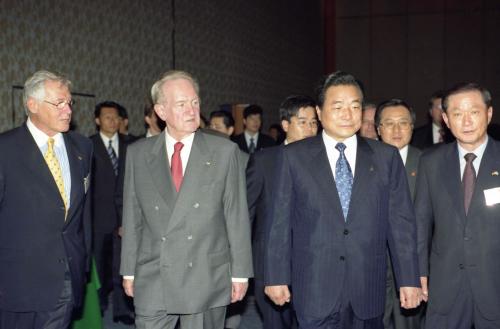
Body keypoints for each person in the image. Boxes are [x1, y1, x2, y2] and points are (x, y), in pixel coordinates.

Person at [264, 71, 421, 329]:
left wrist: (409, 279)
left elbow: (401, 223)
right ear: (319, 110)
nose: (347, 114)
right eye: (338, 107)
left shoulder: (386, 158)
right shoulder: (294, 157)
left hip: (367, 287)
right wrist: (276, 276)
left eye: (354, 106)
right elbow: (279, 221)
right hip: (314, 286)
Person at [120, 70, 253, 329]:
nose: (192, 110)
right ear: (161, 111)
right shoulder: (138, 154)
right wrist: (128, 270)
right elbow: (133, 216)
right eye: (182, 104)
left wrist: (240, 273)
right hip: (154, 270)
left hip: (205, 271)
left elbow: (236, 216)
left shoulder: (224, 151)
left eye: (195, 102)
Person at [0, 70, 93, 329]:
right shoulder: (5, 150)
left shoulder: (82, 148)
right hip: (16, 283)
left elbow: (83, 213)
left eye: (69, 102)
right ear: (33, 105)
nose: (68, 110)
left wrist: (83, 264)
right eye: (58, 103)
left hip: (67, 278)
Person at [415, 82, 500, 329]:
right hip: (445, 286)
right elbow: (420, 222)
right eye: (457, 114)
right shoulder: (430, 161)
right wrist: (418, 273)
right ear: (445, 119)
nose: (466, 121)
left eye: (473, 112)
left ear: (489, 113)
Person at [246, 94, 318, 329]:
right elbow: (246, 213)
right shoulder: (265, 161)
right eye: (303, 122)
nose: (310, 128)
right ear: (285, 125)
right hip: (272, 264)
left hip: (314, 263)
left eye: (314, 122)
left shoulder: (326, 163)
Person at [375, 99, 424, 329]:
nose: (396, 130)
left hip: (413, 262)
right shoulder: (363, 162)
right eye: (389, 123)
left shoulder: (427, 163)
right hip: (372, 264)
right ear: (378, 129)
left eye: (403, 123)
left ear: (412, 128)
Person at [90, 101, 133, 325]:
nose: (112, 121)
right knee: (97, 267)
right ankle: (98, 307)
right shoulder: (88, 146)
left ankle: (122, 310)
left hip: (125, 219)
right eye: (107, 117)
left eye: (116, 117)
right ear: (97, 120)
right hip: (98, 220)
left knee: (122, 267)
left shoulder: (131, 145)